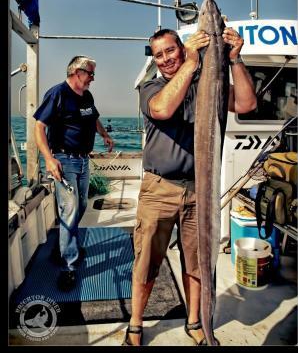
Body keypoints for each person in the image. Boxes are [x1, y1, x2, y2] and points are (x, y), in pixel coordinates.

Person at [123, 28, 257, 345]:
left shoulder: (204, 88)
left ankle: (194, 321)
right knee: (146, 262)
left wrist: (235, 60)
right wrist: (192, 63)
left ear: (182, 48)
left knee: (195, 262)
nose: (167, 58)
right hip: (159, 189)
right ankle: (136, 324)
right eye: (159, 54)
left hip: (198, 189)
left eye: (171, 50)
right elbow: (163, 109)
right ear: (155, 60)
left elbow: (247, 104)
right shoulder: (150, 86)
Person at [34, 55, 114, 291]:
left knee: (79, 206)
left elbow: (94, 117)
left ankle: (64, 246)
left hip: (83, 161)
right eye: (90, 73)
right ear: (77, 72)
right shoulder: (57, 93)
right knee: (69, 212)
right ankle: (68, 267)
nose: (93, 78)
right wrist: (49, 159)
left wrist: (104, 135)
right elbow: (39, 126)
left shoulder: (87, 96)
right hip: (63, 160)